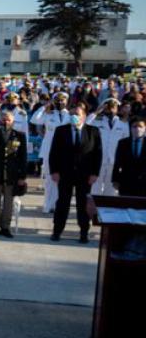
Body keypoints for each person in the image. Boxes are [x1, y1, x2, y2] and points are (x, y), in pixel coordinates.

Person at [48, 103, 102, 243]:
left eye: (77, 114)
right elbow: (54, 152)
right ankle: (57, 231)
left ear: (84, 116)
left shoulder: (93, 131)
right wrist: (54, 171)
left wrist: (95, 173)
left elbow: (98, 154)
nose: (74, 117)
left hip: (85, 175)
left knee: (82, 204)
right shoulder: (61, 130)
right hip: (65, 174)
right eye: (71, 114)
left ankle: (84, 233)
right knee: (62, 203)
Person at [0, 110, 28, 238]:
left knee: (8, 204)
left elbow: (23, 158)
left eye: (8, 119)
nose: (5, 122)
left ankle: (5, 227)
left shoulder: (19, 136)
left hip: (12, 175)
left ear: (13, 121)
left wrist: (22, 177)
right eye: (3, 119)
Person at [30, 92, 71, 213]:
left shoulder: (69, 115)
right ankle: (48, 205)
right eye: (57, 101)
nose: (60, 103)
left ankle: (59, 205)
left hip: (65, 152)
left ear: (66, 102)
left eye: (63, 101)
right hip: (49, 150)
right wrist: (45, 107)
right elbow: (34, 120)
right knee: (49, 179)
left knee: (62, 180)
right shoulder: (48, 114)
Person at [87, 98, 130, 196]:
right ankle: (94, 208)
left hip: (114, 160)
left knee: (111, 188)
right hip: (99, 159)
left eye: (113, 108)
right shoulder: (98, 122)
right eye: (107, 108)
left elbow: (125, 144)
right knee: (96, 185)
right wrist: (97, 112)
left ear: (117, 109)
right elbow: (86, 124)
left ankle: (108, 208)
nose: (110, 110)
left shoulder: (123, 124)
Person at [112, 117, 146, 197]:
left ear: (145, 128)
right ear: (130, 128)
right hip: (126, 182)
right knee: (125, 206)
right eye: (134, 126)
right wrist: (115, 180)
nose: (137, 129)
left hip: (144, 183)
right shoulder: (122, 143)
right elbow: (117, 162)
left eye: (140, 126)